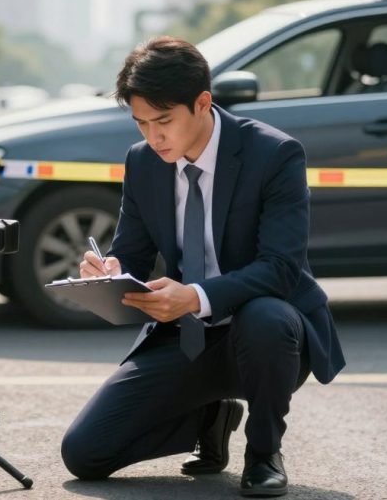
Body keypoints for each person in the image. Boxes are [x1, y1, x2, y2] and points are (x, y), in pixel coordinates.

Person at [60, 36, 345, 497]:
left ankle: (264, 453)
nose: (154, 137)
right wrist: (109, 269)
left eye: (164, 121)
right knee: (85, 454)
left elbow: (280, 268)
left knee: (266, 316)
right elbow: (131, 252)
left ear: (203, 103)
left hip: (267, 336)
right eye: (141, 123)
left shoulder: (274, 154)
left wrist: (194, 296)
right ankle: (209, 417)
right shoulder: (143, 162)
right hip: (185, 336)